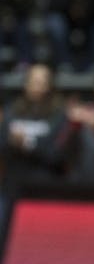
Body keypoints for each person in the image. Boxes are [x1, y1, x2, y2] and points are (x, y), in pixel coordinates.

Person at [0, 64, 69, 244]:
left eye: (41, 82)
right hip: (12, 187)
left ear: (49, 86)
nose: (37, 86)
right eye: (33, 81)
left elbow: (57, 154)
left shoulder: (59, 115)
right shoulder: (10, 111)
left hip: (45, 188)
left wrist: (28, 144)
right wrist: (11, 143)